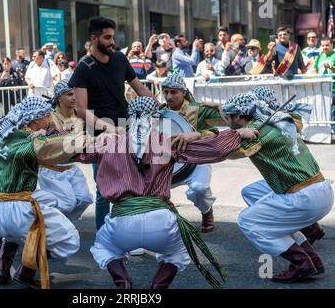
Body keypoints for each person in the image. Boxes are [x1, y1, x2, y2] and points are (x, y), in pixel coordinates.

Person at [73, 96, 259, 289]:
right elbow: (214, 149)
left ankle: (124, 284)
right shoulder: (168, 143)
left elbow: (74, 150)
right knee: (179, 250)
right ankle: (158, 288)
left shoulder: (109, 143)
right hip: (161, 223)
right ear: (156, 119)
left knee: (104, 247)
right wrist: (237, 135)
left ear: (129, 119)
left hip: (122, 224)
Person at [222, 92, 334, 283]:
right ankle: (312, 257)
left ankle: (301, 262)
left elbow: (226, 152)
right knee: (251, 192)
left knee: (247, 221)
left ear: (239, 116)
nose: (225, 121)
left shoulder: (255, 132)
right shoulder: (277, 122)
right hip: (321, 191)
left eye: (227, 117)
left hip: (305, 197)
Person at [0, 96, 81, 289]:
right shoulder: (33, 143)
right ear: (35, 120)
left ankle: (3, 264)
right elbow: (65, 144)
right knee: (70, 241)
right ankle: (26, 271)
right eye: (46, 116)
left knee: (47, 200)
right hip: (17, 208)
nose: (50, 119)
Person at [68, 16, 156, 230]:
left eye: (113, 37)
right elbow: (80, 108)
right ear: (94, 38)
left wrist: (159, 106)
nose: (112, 42)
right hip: (99, 134)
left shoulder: (119, 59)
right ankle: (103, 238)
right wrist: (106, 127)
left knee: (133, 181)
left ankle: (129, 231)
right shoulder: (83, 68)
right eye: (107, 37)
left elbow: (140, 89)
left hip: (127, 128)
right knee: (104, 189)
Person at [162, 74, 226, 232]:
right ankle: (173, 214)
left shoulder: (199, 109)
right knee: (149, 189)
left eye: (174, 92)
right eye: (166, 92)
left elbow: (221, 126)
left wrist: (219, 107)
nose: (169, 96)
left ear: (183, 92)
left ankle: (206, 211)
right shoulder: (160, 112)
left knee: (199, 189)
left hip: (196, 161)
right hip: (169, 163)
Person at [34, 80, 93, 221]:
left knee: (85, 199)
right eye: (69, 94)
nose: (74, 97)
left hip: (71, 167)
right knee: (67, 204)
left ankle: (59, 224)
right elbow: (37, 138)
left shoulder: (80, 116)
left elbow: (86, 139)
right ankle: (37, 218)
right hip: (51, 169)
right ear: (59, 97)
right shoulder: (49, 117)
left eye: (75, 94)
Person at [307, 37, 335, 142]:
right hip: (321, 88)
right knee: (323, 110)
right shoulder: (320, 56)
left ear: (331, 45)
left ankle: (334, 132)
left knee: (334, 110)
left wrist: (331, 67)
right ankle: (324, 133)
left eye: (327, 45)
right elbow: (315, 68)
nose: (325, 47)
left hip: (334, 87)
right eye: (323, 45)